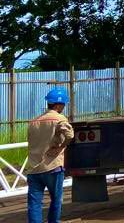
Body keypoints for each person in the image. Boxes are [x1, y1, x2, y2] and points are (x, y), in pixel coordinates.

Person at [26, 87, 74, 223]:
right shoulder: (59, 118)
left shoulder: (34, 122)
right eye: (63, 104)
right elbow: (70, 135)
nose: (64, 107)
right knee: (56, 200)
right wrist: (61, 147)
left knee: (34, 203)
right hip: (53, 167)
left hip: (34, 168)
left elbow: (30, 142)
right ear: (59, 104)